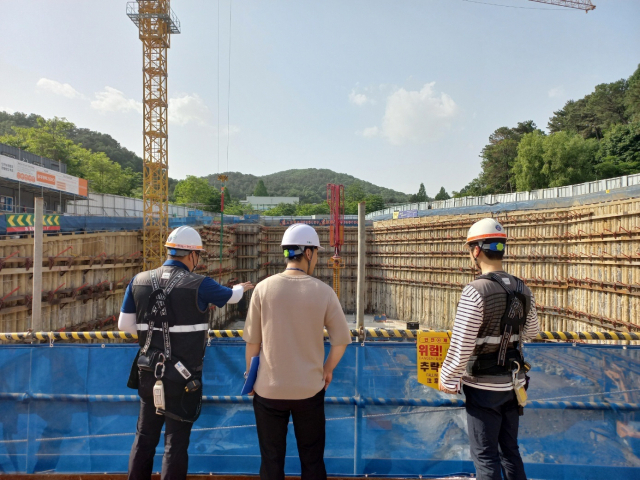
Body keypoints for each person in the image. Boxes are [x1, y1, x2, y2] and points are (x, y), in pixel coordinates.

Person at [118, 225, 254, 480]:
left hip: (148, 373)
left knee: (144, 438)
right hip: (183, 379)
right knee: (175, 444)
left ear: (170, 251)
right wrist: (241, 288)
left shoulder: (139, 280)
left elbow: (124, 325)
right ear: (192, 255)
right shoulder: (199, 284)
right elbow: (232, 297)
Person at [243, 223, 352, 480]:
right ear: (309, 253)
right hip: (309, 391)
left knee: (271, 461)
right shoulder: (323, 291)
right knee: (312, 460)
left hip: (268, 390)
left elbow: (252, 344)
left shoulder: (263, 288)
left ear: (286, 253)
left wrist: (251, 378)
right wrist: (326, 371)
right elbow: (341, 341)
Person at [439, 218, 539, 480]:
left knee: (485, 456)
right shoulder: (523, 288)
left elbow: (461, 345)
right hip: (513, 384)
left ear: (476, 250)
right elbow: (532, 332)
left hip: (483, 388)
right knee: (510, 451)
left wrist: (447, 378)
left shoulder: (475, 291)